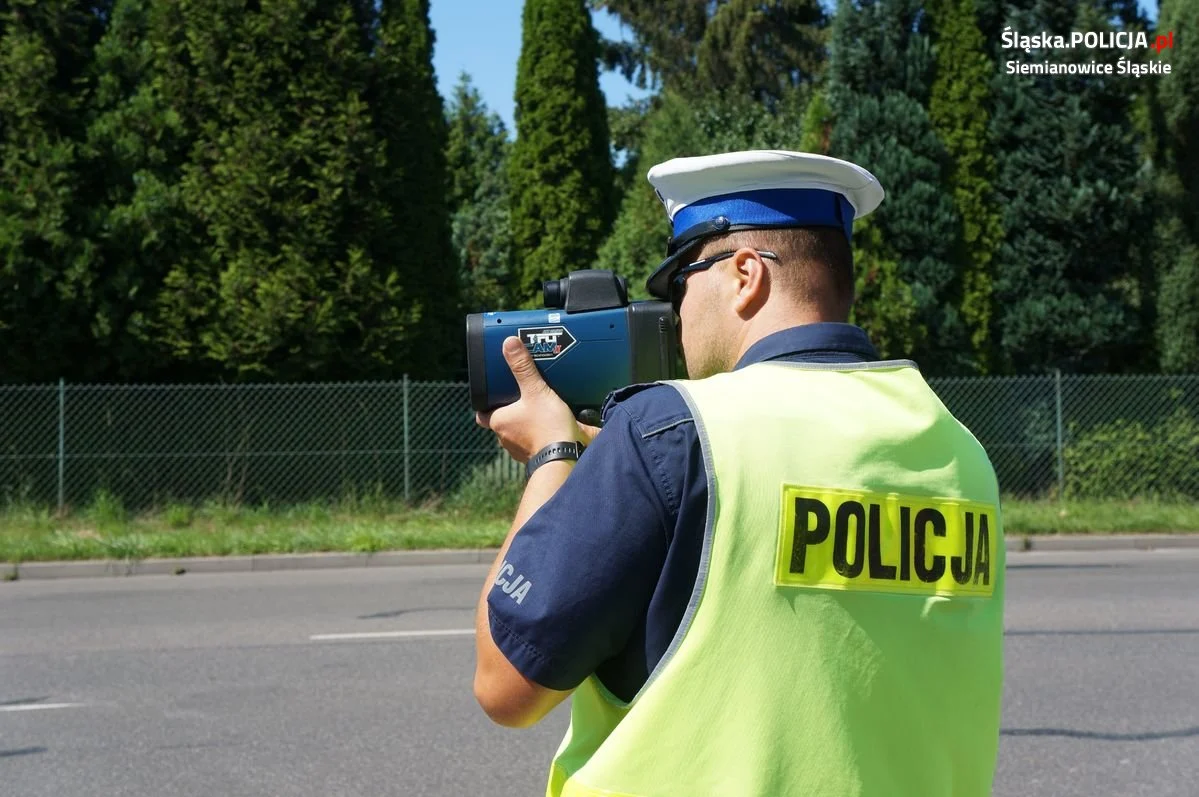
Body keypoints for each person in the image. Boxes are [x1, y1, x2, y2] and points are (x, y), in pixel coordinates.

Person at [473, 150, 1004, 797]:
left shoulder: (674, 431)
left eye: (679, 280)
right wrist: (624, 465)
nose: (674, 309)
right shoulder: (958, 452)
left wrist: (552, 455)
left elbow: (505, 684)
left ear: (745, 274)